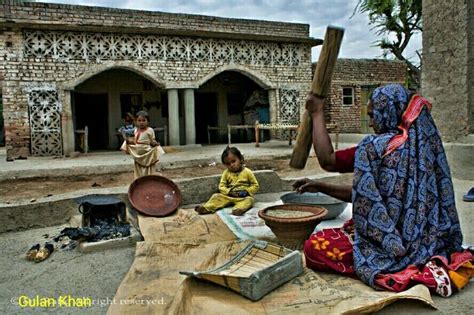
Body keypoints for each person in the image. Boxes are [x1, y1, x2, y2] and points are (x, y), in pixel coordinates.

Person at [293, 84, 473, 296]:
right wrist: (319, 186)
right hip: (428, 240)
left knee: (315, 246)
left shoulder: (375, 148)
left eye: (372, 115)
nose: (370, 123)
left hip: (388, 244)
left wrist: (316, 114)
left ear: (387, 111)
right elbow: (367, 198)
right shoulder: (427, 146)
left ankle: (393, 266)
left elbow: (328, 161)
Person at [195, 146, 259, 216]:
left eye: (234, 161)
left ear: (241, 159)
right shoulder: (226, 173)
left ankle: (239, 209)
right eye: (228, 164)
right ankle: (206, 208)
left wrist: (247, 191)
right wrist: (229, 192)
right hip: (228, 196)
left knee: (249, 200)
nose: (232, 165)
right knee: (216, 196)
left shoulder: (247, 172)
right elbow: (222, 186)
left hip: (243, 197)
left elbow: (255, 185)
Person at [120, 111, 160, 179]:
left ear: (148, 121)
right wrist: (127, 140)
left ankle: (148, 178)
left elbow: (152, 141)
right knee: (138, 167)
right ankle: (139, 179)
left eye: (144, 120)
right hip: (137, 153)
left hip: (146, 152)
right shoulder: (135, 130)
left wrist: (155, 143)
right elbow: (135, 141)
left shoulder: (150, 130)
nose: (141, 122)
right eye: (139, 120)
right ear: (136, 122)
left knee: (148, 166)